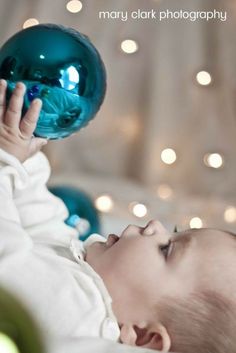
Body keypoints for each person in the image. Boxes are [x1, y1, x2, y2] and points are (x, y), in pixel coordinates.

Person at [0, 80, 236, 353]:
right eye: (173, 230)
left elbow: (7, 260)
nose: (154, 225)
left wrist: (7, 161)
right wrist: (24, 154)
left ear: (144, 335)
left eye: (166, 248)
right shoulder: (84, 274)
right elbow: (40, 218)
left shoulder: (79, 311)